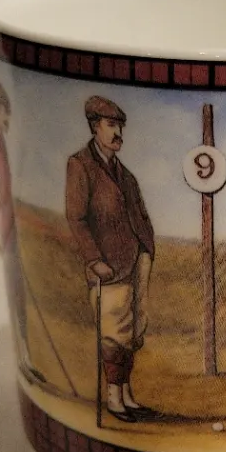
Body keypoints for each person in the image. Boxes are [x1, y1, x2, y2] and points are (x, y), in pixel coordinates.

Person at [64, 95, 157, 422]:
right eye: (111, 125)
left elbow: (140, 216)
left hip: (135, 263)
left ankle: (127, 393)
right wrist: (94, 260)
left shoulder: (125, 175)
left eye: (120, 126)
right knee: (113, 333)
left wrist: (147, 249)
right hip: (107, 268)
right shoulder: (80, 165)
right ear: (95, 126)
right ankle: (115, 398)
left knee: (133, 331)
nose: (118, 133)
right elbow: (76, 218)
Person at [0, 80, 41, 382]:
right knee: (19, 297)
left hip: (11, 229)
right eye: (7, 115)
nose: (9, 121)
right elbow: (4, 192)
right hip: (10, 230)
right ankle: (24, 358)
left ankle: (26, 357)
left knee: (20, 299)